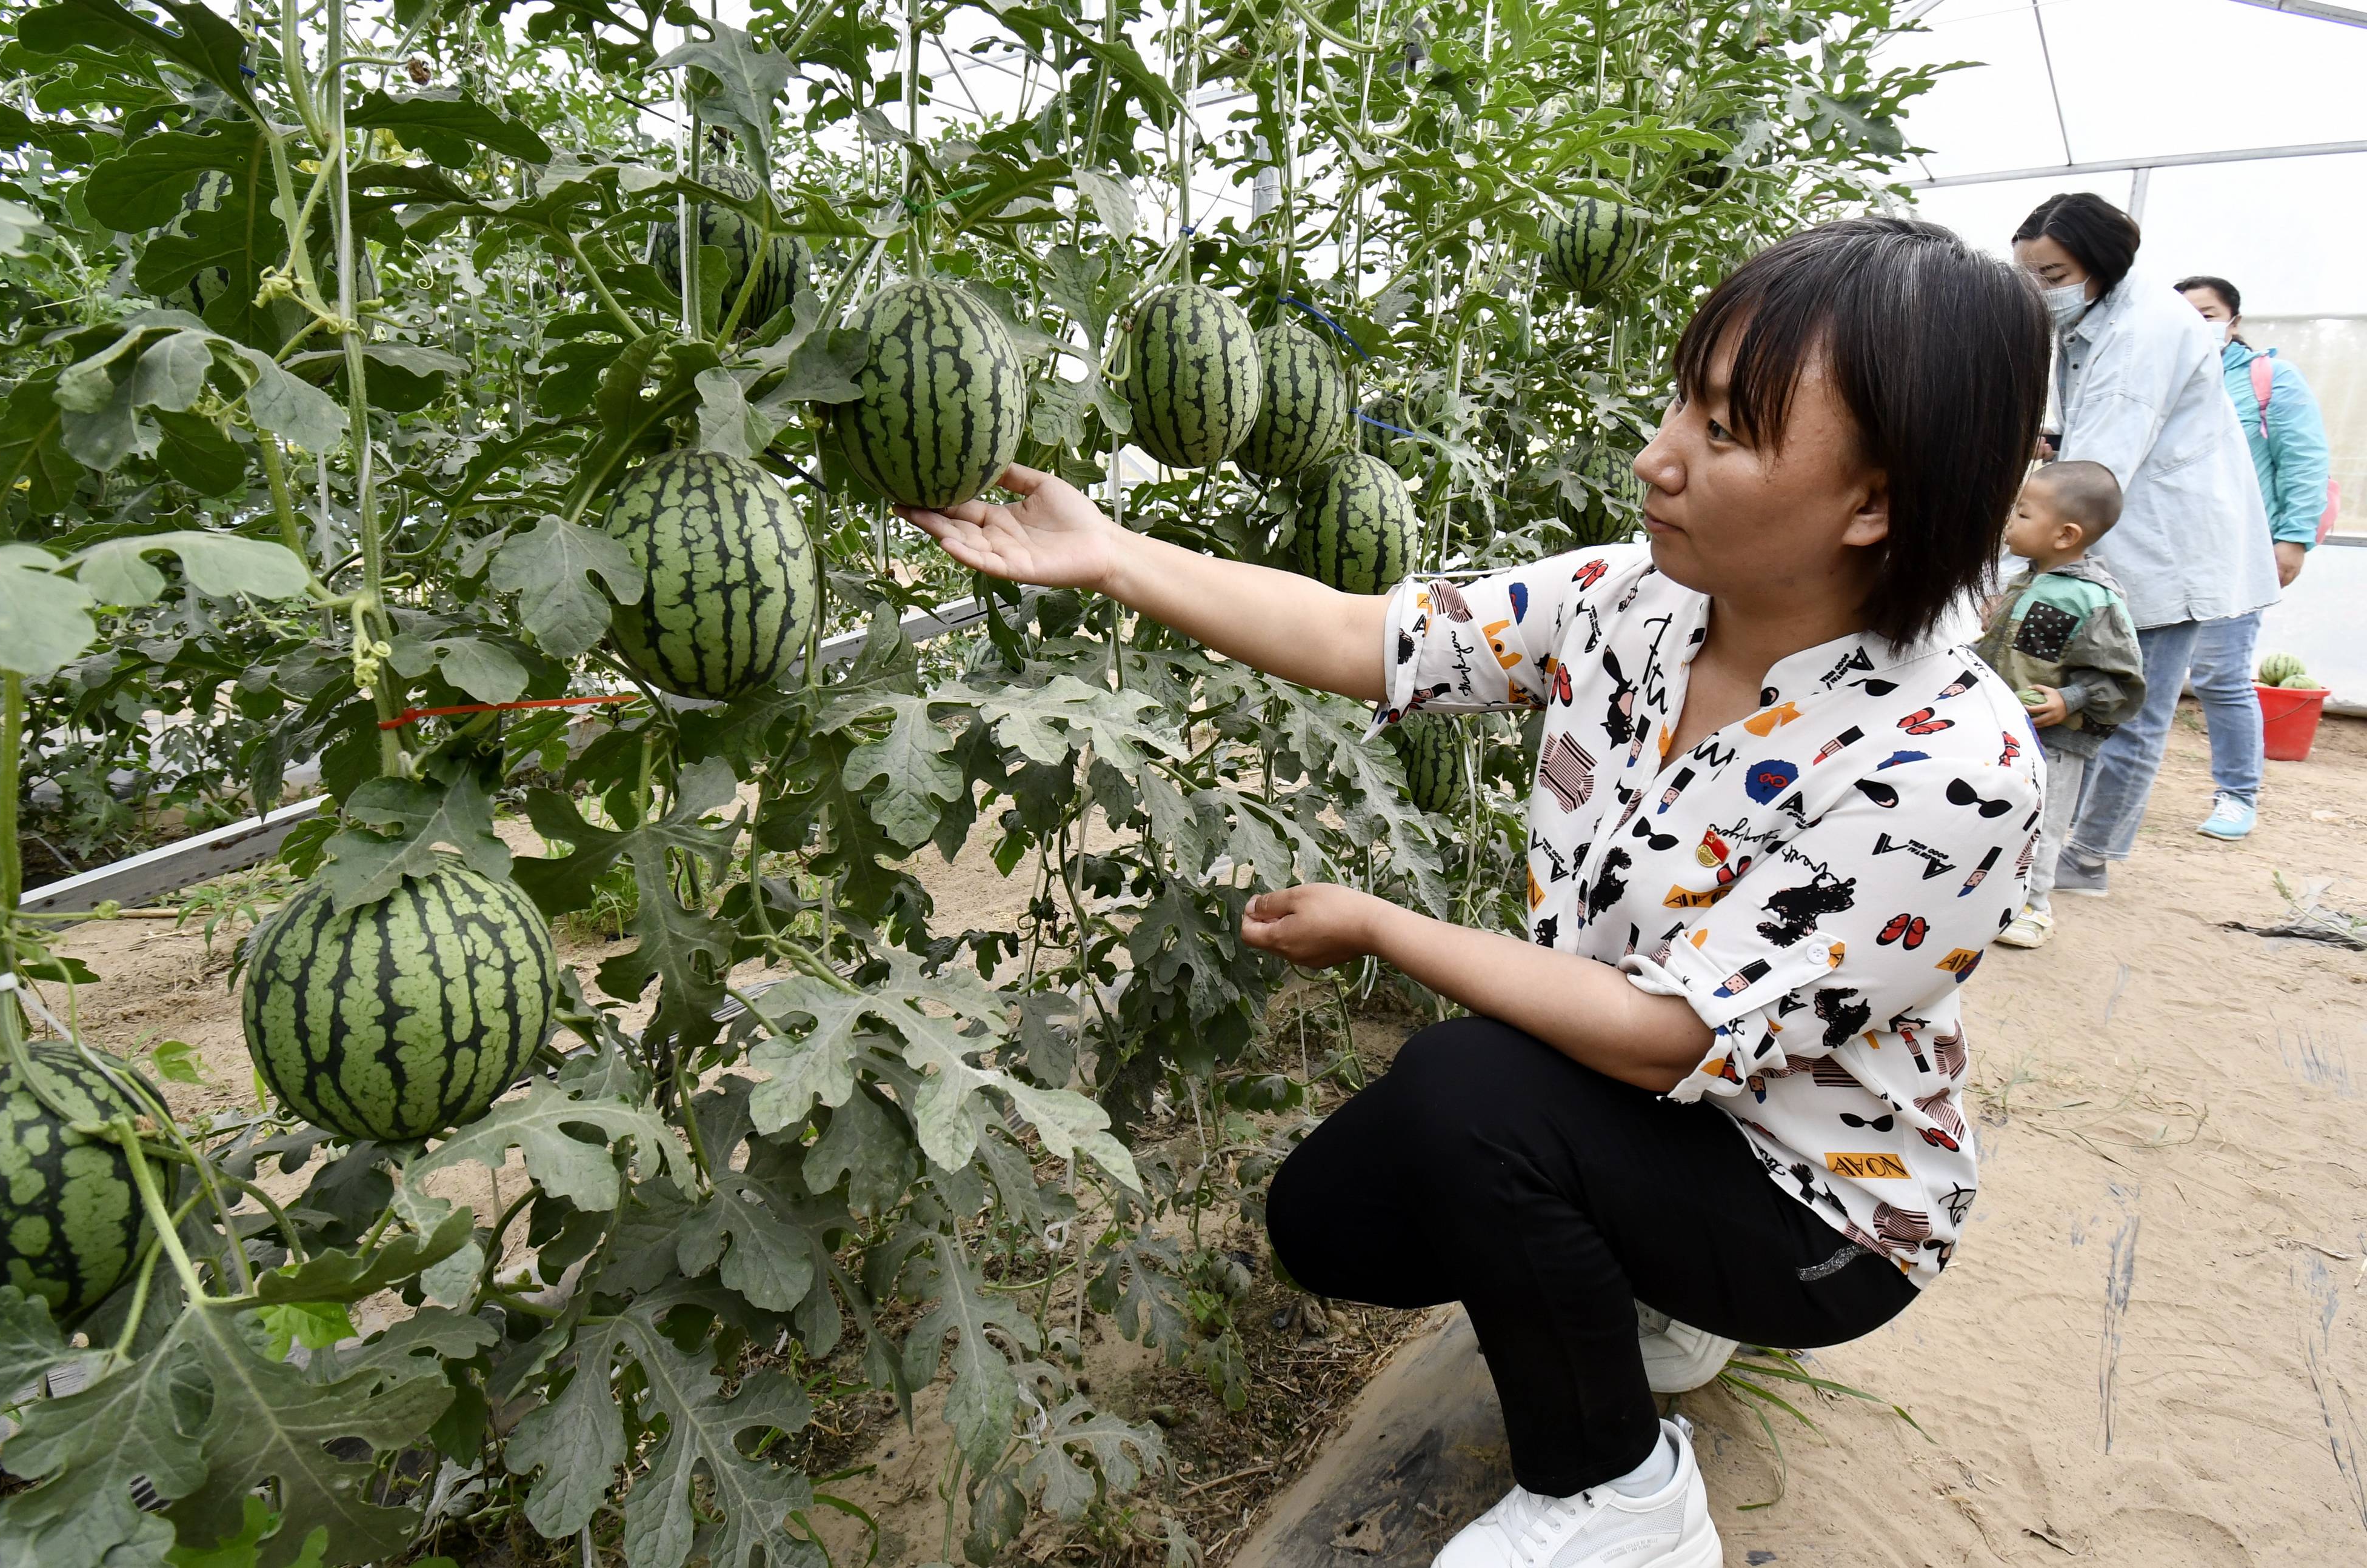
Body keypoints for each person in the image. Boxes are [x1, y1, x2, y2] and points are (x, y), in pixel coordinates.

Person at [900, 216, 2047, 1568]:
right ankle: (1651, 1291)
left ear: (1875, 503)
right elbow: (1365, 634)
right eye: (1681, 396)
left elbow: (1667, 1032)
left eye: (1725, 431)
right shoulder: (1632, 601)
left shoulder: (1948, 766)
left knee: (1472, 1092)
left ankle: (1620, 1496)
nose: (1656, 454)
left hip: (1819, 1208)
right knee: (1326, 1225)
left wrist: (1386, 929)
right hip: (1647, 1122)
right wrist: (1112, 555)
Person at [2011, 193, 2278, 879]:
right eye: (2028, 274)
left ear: (2100, 267)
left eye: (2052, 275)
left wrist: (2026, 537)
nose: (2040, 291)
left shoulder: (2141, 334)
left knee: (2130, 705)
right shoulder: (2099, 318)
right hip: (2128, 529)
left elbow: (2099, 468)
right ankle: (2053, 843)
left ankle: (2090, 858)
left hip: (2163, 542)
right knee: (2087, 696)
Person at [2177, 275, 2335, 838]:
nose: (2198, 324)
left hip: (2237, 552)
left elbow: (2305, 461)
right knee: (2142, 676)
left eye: (2209, 312)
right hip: (2169, 549)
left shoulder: (2270, 379)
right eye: (2184, 314)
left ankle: (2237, 794)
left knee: (2221, 676)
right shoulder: (2172, 376)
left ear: (2234, 320)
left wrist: (2292, 539)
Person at [1977, 462, 2145, 950]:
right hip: (2004, 728)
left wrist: (2069, 699)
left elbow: (2121, 679)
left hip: (2054, 738)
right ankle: (1990, 899)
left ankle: (2035, 906)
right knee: (2000, 811)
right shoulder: (2028, 582)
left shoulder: (2093, 600)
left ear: (2066, 534)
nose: (2010, 521)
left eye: (2023, 514)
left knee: (2043, 821)